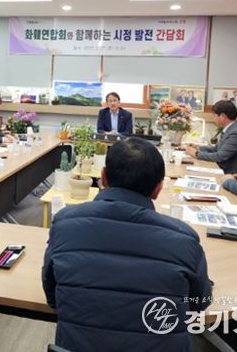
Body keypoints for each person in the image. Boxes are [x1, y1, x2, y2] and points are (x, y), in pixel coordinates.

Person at [42, 138, 212, 351]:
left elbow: (52, 295)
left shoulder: (65, 223)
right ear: (158, 189)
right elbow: (199, 303)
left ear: (103, 177)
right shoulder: (184, 238)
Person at [185, 100, 237, 175]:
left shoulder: (235, 133)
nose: (213, 119)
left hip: (234, 176)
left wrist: (196, 153)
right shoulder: (231, 129)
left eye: (214, 116)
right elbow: (217, 148)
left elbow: (219, 157)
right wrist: (198, 148)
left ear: (223, 116)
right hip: (225, 171)